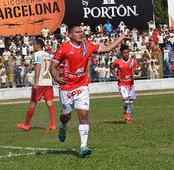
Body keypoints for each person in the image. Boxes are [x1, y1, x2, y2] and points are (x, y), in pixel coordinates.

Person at [50, 25, 129, 158]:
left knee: (83, 115)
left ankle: (83, 146)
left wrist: (121, 37)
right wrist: (56, 77)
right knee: (66, 116)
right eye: (77, 32)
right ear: (69, 35)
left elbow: (107, 48)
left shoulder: (88, 45)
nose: (81, 34)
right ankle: (63, 126)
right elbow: (53, 66)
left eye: (81, 32)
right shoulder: (63, 48)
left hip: (82, 85)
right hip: (67, 87)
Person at [17, 39, 56, 131]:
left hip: (40, 82)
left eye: (34, 44)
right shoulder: (48, 55)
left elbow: (38, 67)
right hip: (48, 81)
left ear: (38, 45)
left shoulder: (37, 54)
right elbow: (50, 68)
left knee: (33, 102)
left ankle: (26, 125)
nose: (33, 46)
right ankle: (53, 125)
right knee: (49, 102)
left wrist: (36, 82)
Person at [110, 44, 138, 124]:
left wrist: (136, 71)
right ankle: (127, 115)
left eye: (127, 53)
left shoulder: (133, 61)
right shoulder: (117, 62)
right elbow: (111, 67)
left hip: (131, 84)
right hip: (122, 84)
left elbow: (135, 71)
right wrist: (116, 76)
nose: (126, 54)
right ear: (121, 53)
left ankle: (128, 113)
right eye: (124, 53)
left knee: (131, 102)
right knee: (126, 101)